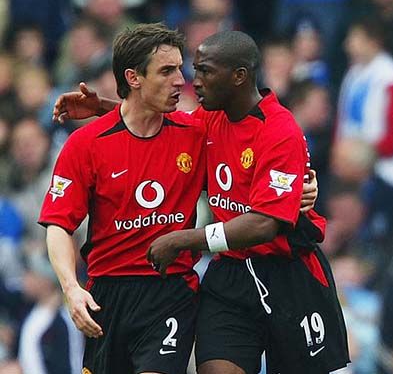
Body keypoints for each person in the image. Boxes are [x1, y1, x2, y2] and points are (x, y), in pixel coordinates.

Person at [57, 30, 349, 374]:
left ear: (238, 76)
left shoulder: (279, 131)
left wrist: (184, 239)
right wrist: (105, 108)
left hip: (288, 274)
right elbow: (158, 125)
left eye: (205, 71)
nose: (192, 81)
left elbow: (264, 223)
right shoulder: (210, 118)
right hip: (230, 275)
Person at [39, 23, 206, 374]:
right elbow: (57, 224)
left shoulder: (195, 134)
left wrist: (301, 185)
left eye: (180, 68)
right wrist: (71, 288)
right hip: (108, 295)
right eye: (167, 70)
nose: (180, 80)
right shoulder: (86, 144)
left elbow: (241, 161)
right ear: (133, 77)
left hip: (170, 288)